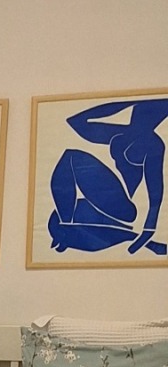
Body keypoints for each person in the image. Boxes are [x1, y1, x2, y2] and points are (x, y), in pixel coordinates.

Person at [47, 97, 168, 256]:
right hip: (107, 202)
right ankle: (67, 224)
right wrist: (127, 101)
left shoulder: (153, 144)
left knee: (72, 157)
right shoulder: (121, 134)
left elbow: (155, 189)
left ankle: (67, 226)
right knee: (69, 159)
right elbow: (76, 122)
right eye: (138, 109)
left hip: (124, 209)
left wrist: (149, 229)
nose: (138, 114)